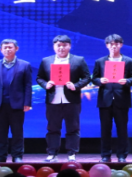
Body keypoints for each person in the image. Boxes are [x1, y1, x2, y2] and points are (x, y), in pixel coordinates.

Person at [37, 34, 91, 163]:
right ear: (54, 46)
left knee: (73, 128)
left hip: (72, 99)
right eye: (58, 45)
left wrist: (75, 85)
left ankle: (72, 153)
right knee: (52, 128)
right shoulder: (46, 61)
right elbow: (39, 78)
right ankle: (52, 153)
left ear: (69, 46)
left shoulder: (78, 60)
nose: (61, 48)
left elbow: (87, 77)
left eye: (64, 45)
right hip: (53, 99)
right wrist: (46, 84)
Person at [91, 34, 132, 163]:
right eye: (111, 44)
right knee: (105, 129)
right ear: (107, 45)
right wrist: (100, 80)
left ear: (121, 45)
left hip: (122, 99)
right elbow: (94, 78)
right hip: (105, 100)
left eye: (116, 44)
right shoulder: (100, 61)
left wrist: (127, 81)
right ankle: (105, 155)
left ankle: (122, 155)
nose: (113, 46)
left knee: (122, 129)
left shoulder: (129, 61)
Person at [0, 39, 34, 163]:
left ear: (16, 49)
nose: (7, 50)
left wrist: (27, 102)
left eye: (10, 47)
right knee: (1, 132)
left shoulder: (25, 65)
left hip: (17, 104)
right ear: (1, 50)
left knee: (17, 132)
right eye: (5, 47)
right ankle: (0, 156)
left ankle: (17, 156)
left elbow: (28, 85)